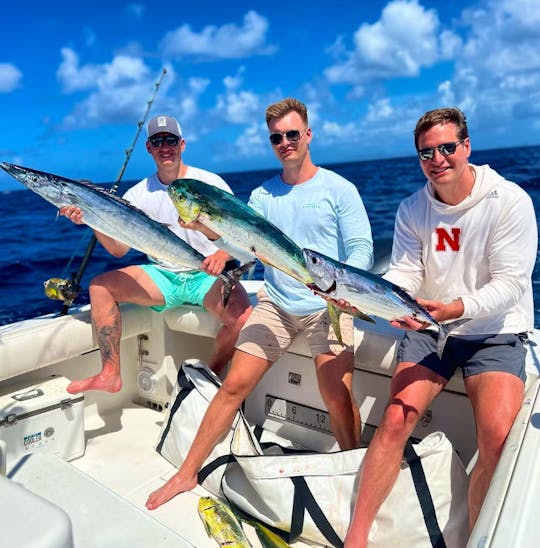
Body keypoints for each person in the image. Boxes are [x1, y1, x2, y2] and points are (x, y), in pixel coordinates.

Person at [145, 97, 373, 510]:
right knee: (233, 385)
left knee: (336, 393)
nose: (285, 142)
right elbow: (241, 244)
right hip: (278, 304)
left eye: (291, 134)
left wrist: (336, 289)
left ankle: (353, 472)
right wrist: (206, 230)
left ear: (307, 135)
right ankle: (186, 473)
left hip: (328, 307)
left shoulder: (340, 189)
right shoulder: (263, 195)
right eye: (276, 138)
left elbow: (361, 249)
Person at [344, 107, 537, 547]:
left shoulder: (508, 201)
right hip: (430, 328)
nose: (438, 158)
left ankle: (477, 538)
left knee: (498, 437)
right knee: (395, 418)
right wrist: (374, 297)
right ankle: (357, 536)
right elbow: (407, 273)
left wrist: (454, 308)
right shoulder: (413, 207)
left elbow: (510, 286)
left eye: (448, 147)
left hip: (494, 332)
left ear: (466, 146)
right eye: (427, 152)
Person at [59, 115, 253, 393]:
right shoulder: (137, 195)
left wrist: (222, 255)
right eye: (157, 141)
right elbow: (118, 250)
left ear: (182, 144)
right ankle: (110, 374)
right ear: (148, 148)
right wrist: (90, 218)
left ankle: (209, 375)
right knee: (100, 287)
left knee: (243, 319)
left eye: (170, 140)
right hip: (164, 276)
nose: (165, 147)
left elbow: (242, 234)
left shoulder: (210, 183)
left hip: (206, 276)